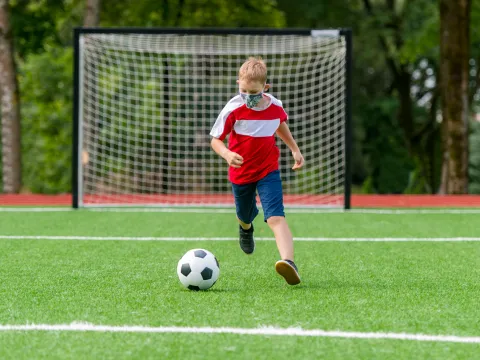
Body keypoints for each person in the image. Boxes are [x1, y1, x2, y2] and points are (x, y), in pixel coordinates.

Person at [210, 57, 305, 285]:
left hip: (267, 170)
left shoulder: (275, 106)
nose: (247, 97)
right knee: (244, 215)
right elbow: (215, 140)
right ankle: (245, 228)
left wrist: (294, 149)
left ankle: (289, 263)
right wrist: (227, 154)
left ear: (265, 88)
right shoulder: (233, 107)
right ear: (238, 84)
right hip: (241, 173)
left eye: (253, 92)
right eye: (243, 91)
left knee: (275, 217)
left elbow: (279, 124)